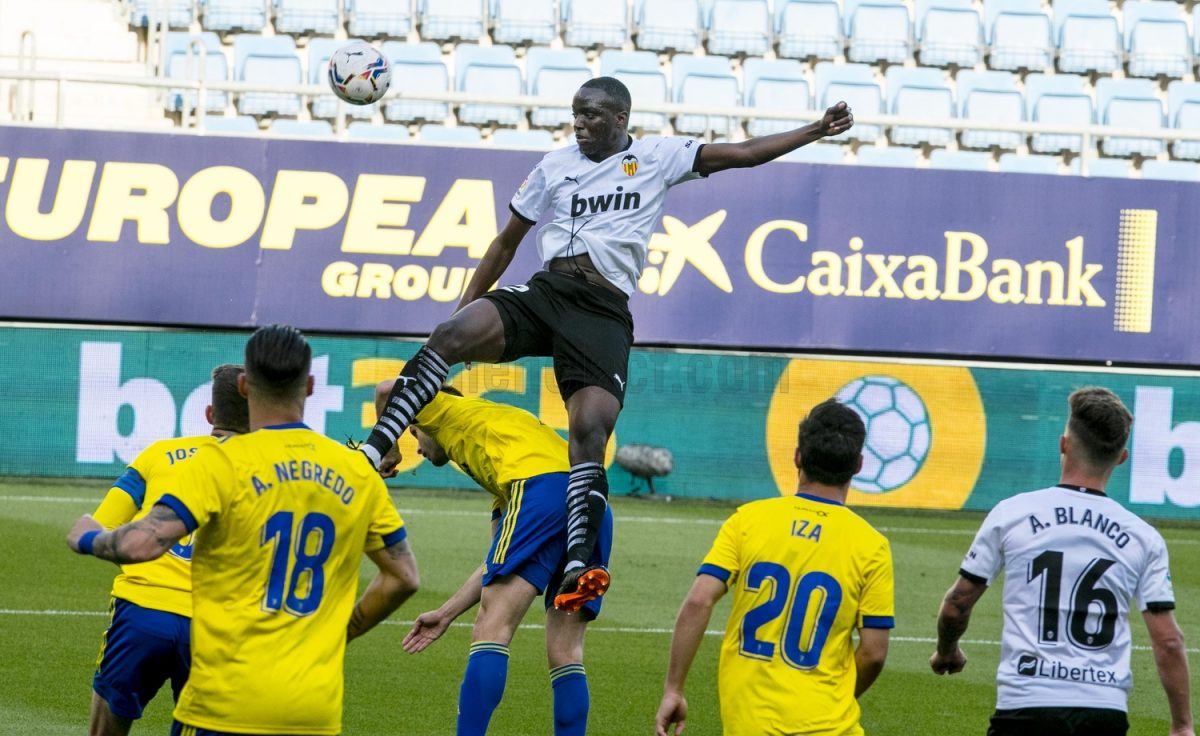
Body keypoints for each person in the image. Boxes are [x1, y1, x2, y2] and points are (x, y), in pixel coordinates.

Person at [358, 76, 855, 611]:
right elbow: (505, 244)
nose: (579, 125)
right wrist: (461, 316)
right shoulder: (554, 165)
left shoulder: (658, 156)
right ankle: (373, 450)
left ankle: (577, 562)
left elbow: (745, 154)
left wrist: (816, 130)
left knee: (589, 428)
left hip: (601, 310)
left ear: (620, 119)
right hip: (548, 291)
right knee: (449, 335)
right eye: (575, 115)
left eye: (591, 116)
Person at [67, 325, 420, 736]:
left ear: (244, 385)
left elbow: (144, 542)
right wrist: (344, 631)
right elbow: (404, 576)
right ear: (309, 386)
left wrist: (86, 537)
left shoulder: (218, 461)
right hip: (313, 710)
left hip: (223, 702)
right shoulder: (356, 470)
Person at [930, 387, 1193, 736]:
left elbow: (957, 604)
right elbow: (1169, 641)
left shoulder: (1012, 514)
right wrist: (1182, 725)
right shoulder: (1143, 537)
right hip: (1103, 711)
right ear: (1121, 458)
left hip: (1025, 707)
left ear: (1063, 444)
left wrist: (947, 651)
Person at [376, 381, 611, 736]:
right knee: (566, 652)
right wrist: (446, 613)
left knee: (492, 627)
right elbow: (494, 564)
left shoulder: (443, 410)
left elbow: (388, 387)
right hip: (591, 501)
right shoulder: (497, 444)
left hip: (538, 489)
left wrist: (388, 448)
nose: (417, 446)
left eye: (413, 433)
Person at [655, 399, 893, 736]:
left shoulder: (748, 521)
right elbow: (873, 652)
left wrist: (674, 689)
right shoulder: (872, 546)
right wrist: (835, 699)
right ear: (858, 465)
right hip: (832, 727)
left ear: (797, 456)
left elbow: (698, 601)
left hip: (752, 725)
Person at [86, 364, 249, 736]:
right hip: (213, 625)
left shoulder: (159, 454)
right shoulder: (270, 472)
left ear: (210, 414)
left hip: (140, 613)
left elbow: (103, 527)